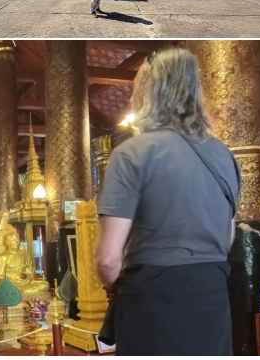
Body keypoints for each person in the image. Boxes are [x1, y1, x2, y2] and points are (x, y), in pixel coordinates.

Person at [95, 49, 239, 356]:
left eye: (136, 90)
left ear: (151, 94)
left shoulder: (131, 154)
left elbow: (108, 260)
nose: (132, 99)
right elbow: (227, 239)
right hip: (211, 300)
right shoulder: (224, 156)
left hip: (152, 300)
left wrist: (116, 287)